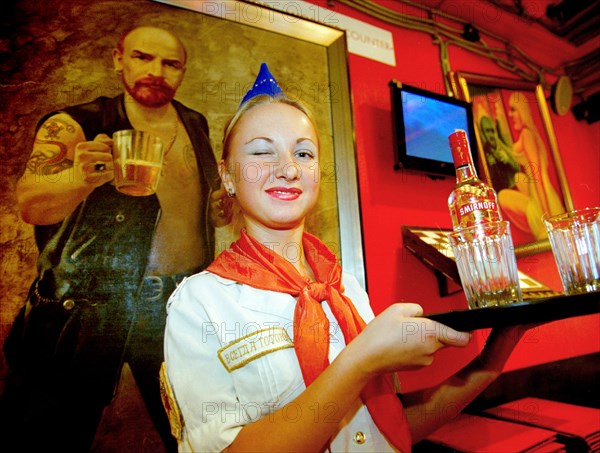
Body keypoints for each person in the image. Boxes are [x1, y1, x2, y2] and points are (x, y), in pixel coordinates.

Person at [162, 64, 533, 452]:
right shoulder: (199, 303)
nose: (288, 169)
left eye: (303, 153)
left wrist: (494, 356)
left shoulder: (344, 288)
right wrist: (361, 361)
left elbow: (387, 429)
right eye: (261, 152)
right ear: (228, 176)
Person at [0, 26, 227, 452]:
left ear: (183, 71)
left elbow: (202, 204)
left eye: (170, 63)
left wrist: (218, 210)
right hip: (82, 311)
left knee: (197, 438)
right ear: (118, 59)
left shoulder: (194, 122)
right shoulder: (75, 124)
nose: (156, 71)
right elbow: (30, 203)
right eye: (143, 57)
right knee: (45, 437)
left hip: (179, 306)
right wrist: (77, 179)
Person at [498, 92, 565, 240]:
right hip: (538, 193)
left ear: (522, 111)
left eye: (513, 109)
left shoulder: (527, 135)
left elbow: (538, 175)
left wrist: (546, 214)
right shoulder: (526, 135)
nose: (510, 114)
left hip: (542, 197)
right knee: (518, 178)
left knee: (503, 196)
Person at [479, 115, 520, 192]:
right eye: (487, 131)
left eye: (492, 131)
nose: (491, 135)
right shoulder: (484, 154)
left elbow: (518, 169)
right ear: (483, 133)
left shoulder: (503, 146)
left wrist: (508, 161)